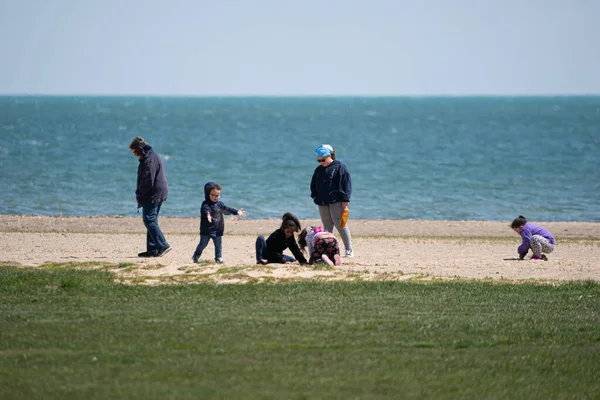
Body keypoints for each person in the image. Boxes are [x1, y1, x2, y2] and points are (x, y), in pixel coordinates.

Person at [129, 136, 171, 258]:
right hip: (158, 192)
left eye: (133, 151)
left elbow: (148, 180)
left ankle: (163, 245)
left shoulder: (149, 160)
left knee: (149, 219)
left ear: (138, 149)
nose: (133, 154)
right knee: (151, 220)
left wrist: (139, 193)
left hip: (153, 193)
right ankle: (153, 250)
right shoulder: (151, 156)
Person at [310, 144, 354, 257]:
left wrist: (345, 199)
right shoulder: (319, 169)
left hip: (337, 201)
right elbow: (313, 183)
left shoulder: (340, 167)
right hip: (322, 201)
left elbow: (346, 184)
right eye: (318, 160)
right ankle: (329, 249)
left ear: (330, 155)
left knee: (340, 224)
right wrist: (314, 195)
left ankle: (349, 249)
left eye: (323, 159)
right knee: (327, 226)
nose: (321, 162)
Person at [192, 182, 246, 263]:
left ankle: (218, 257)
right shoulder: (205, 204)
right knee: (203, 244)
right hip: (206, 229)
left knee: (218, 244)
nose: (215, 197)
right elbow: (206, 210)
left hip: (217, 228)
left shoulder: (220, 204)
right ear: (207, 194)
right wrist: (208, 215)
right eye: (212, 195)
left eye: (217, 195)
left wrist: (237, 212)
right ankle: (196, 255)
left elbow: (227, 209)